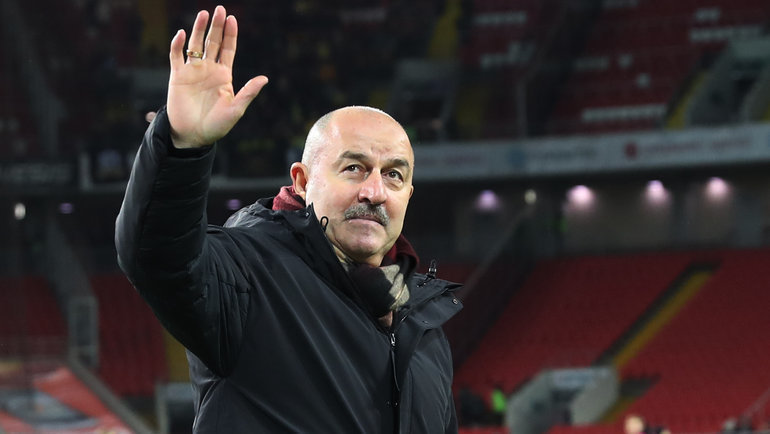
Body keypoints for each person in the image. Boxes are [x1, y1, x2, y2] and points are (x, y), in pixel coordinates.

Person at [115, 5, 463, 433]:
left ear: (408, 195)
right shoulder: (248, 275)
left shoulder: (425, 324)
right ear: (302, 181)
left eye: (393, 175)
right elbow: (157, 257)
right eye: (354, 168)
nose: (374, 192)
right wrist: (181, 147)